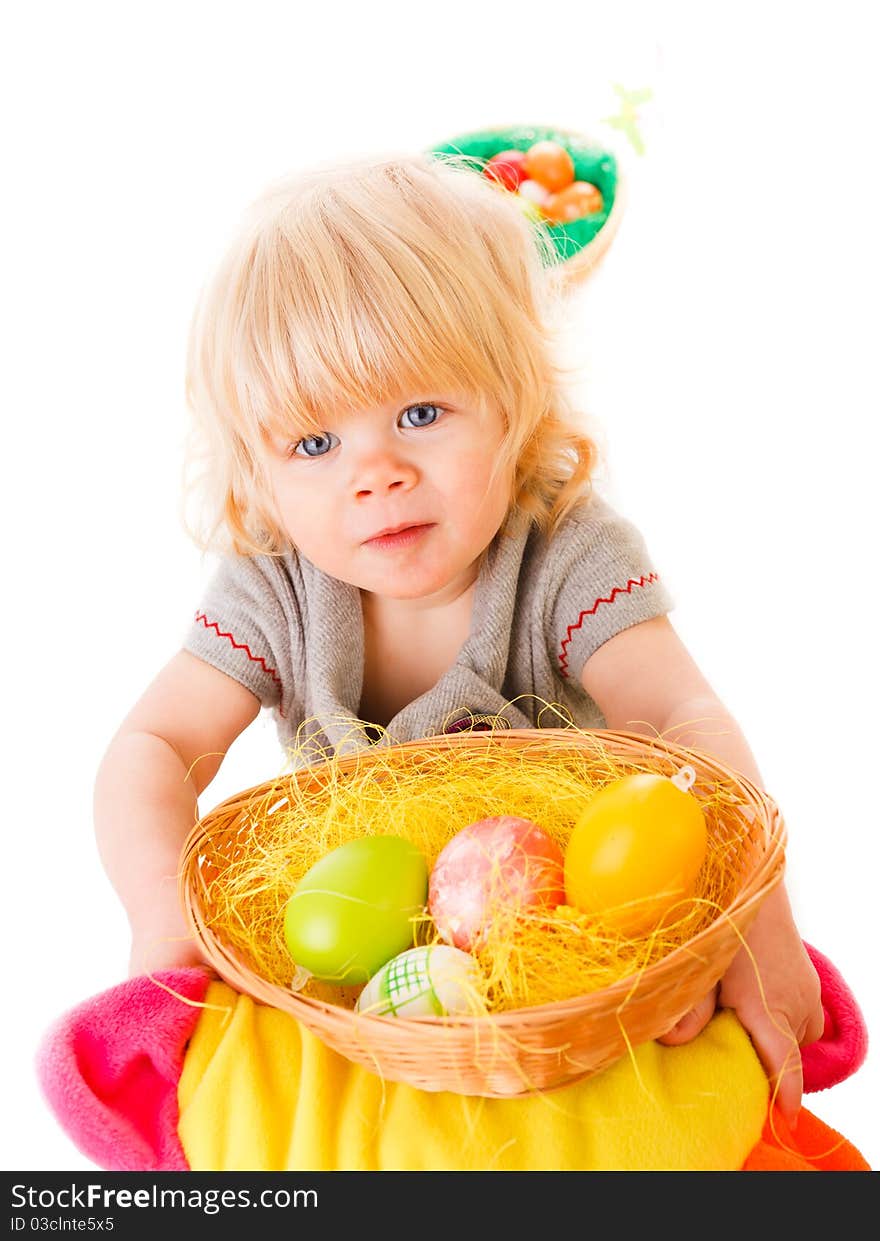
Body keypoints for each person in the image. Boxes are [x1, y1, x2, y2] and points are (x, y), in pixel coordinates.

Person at [93, 150, 823, 1125]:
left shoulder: (565, 551)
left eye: (421, 412)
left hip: (571, 971)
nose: (376, 472)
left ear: (515, 403)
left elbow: (682, 716)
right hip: (379, 994)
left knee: (681, 1105)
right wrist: (162, 915)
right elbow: (151, 748)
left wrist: (748, 919)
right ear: (255, 477)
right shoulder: (274, 581)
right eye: (315, 443)